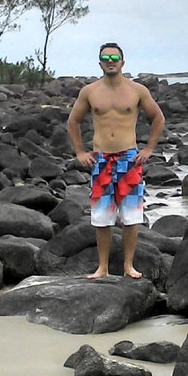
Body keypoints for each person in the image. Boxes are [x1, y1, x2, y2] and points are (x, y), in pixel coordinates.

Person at [68, 42, 166, 279]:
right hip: (101, 160)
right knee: (102, 217)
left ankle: (128, 266)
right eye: (106, 57)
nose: (110, 61)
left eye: (115, 57)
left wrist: (149, 148)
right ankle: (102, 267)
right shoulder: (90, 91)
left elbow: (158, 118)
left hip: (129, 159)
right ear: (100, 63)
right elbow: (73, 121)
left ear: (123, 61)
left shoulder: (137, 90)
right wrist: (80, 152)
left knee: (131, 216)